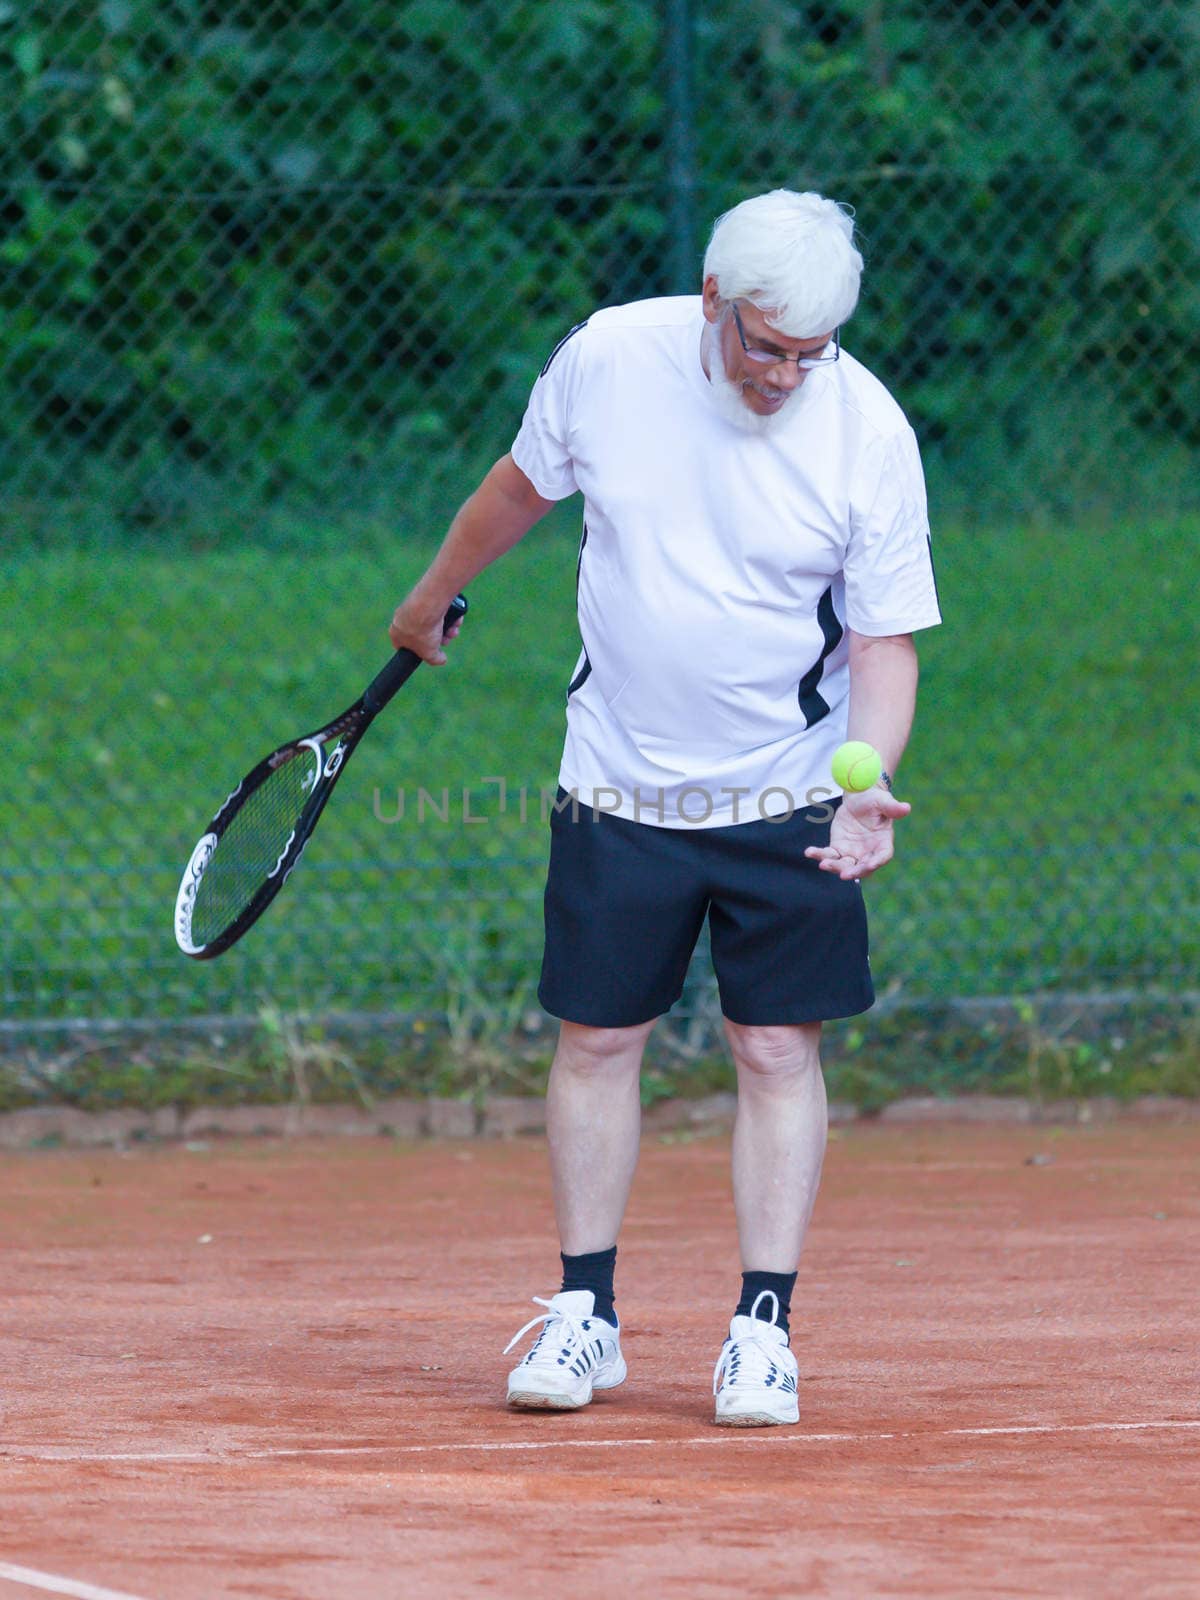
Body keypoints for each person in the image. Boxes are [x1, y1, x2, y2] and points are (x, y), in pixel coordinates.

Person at [388, 189, 941, 1427]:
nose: (789, 375)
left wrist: (867, 781)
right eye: (766, 346)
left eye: (813, 353)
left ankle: (762, 1327)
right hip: (617, 781)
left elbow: (885, 642)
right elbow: (519, 490)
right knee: (596, 1039)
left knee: (775, 1047)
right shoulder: (610, 359)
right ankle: (585, 1315)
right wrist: (429, 598)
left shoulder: (868, 431)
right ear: (713, 303)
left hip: (793, 789)